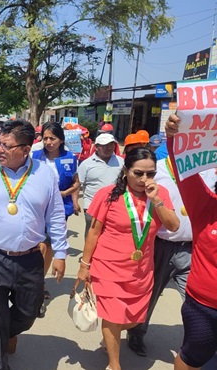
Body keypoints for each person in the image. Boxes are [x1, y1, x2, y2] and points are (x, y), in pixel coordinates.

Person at [0, 119, 69, 370]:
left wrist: (60, 253)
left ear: (26, 149)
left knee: (29, 313)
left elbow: (54, 215)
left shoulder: (45, 174)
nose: (0, 149)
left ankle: (5, 332)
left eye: (7, 146)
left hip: (30, 258)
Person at [77, 147, 179, 370]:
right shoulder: (107, 194)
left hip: (141, 269)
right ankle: (115, 364)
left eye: (150, 174)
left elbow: (173, 226)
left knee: (132, 318)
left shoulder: (159, 193)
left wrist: (157, 200)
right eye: (138, 173)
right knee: (113, 316)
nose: (145, 179)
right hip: (108, 267)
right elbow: (93, 232)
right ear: (125, 171)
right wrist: (85, 265)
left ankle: (110, 334)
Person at [125, 147, 216, 357]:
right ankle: (137, 333)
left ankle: (198, 340)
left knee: (196, 301)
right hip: (160, 245)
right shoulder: (159, 171)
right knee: (151, 292)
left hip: (193, 249)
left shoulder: (208, 170)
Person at [165, 114, 217, 370]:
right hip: (204, 308)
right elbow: (185, 173)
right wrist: (175, 137)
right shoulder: (206, 207)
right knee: (193, 357)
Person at [31, 122, 80, 316]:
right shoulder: (35, 157)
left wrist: (67, 194)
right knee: (40, 247)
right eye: (45, 138)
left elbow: (76, 183)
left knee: (49, 247)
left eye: (53, 138)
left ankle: (39, 282)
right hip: (37, 209)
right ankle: (36, 285)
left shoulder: (70, 158)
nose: (49, 142)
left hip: (59, 209)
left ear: (61, 139)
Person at [78, 133, 124, 238]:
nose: (109, 148)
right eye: (105, 145)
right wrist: (75, 202)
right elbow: (78, 184)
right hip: (92, 206)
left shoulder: (121, 162)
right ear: (97, 147)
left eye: (111, 145)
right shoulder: (86, 164)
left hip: (115, 205)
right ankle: (88, 254)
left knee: (110, 235)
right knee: (91, 234)